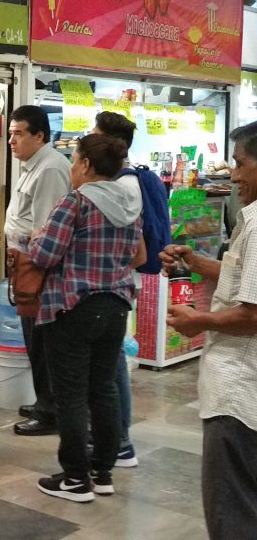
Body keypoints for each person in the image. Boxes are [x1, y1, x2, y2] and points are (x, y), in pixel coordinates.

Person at [30, 133, 145, 502]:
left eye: (75, 160)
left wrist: (35, 237)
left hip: (73, 307)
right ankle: (103, 472)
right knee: (103, 391)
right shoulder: (129, 205)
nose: (72, 167)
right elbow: (136, 256)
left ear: (87, 165)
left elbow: (46, 255)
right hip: (116, 306)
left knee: (71, 397)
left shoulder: (75, 202)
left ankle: (76, 479)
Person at [159, 121, 257, 539]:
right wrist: (197, 262)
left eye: (240, 164)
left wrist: (199, 321)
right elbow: (244, 279)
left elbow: (253, 314)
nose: (233, 176)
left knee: (231, 509)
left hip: (238, 395)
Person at [5, 105, 71, 435]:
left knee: (42, 340)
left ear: (39, 136)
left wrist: (25, 250)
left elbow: (47, 230)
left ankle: (50, 411)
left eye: (18, 133)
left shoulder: (50, 169)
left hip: (39, 268)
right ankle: (44, 400)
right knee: (33, 339)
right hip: (24, 263)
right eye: (10, 133)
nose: (11, 141)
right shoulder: (32, 165)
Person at [91, 111, 141, 467]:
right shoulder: (125, 183)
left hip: (105, 293)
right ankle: (117, 440)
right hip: (115, 291)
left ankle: (118, 442)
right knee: (112, 368)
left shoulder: (119, 188)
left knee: (110, 372)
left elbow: (135, 252)